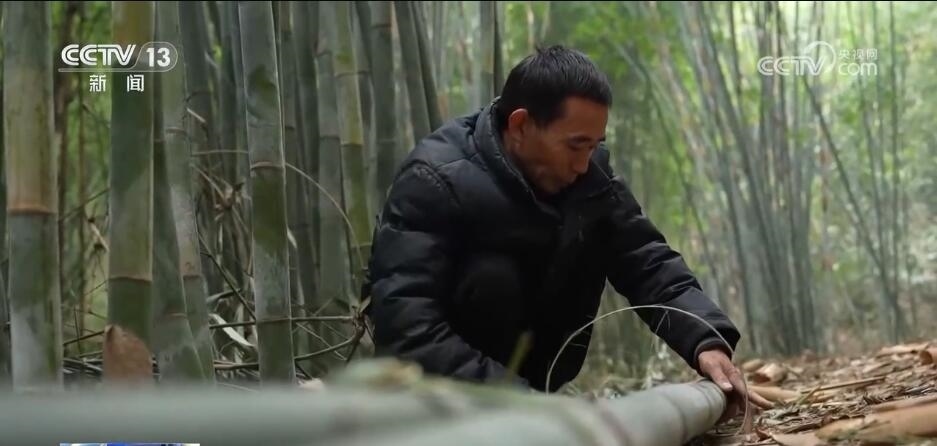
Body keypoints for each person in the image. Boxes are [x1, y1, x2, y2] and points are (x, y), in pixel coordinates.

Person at [363, 45, 769, 411]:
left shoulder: (589, 180)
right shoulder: (434, 180)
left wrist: (705, 340)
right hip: (441, 399)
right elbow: (408, 328)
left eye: (594, 146)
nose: (583, 163)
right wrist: (518, 402)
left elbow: (646, 260)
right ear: (520, 126)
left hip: (537, 394)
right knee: (493, 275)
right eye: (575, 145)